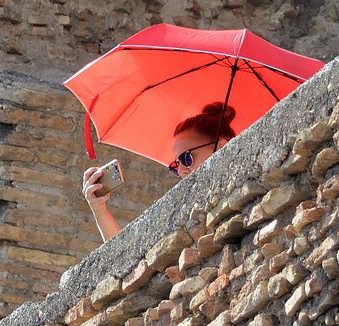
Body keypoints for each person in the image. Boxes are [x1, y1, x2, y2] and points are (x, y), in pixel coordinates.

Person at [82, 102, 236, 242]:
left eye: (187, 158)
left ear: (222, 147)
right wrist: (99, 208)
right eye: (176, 165)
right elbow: (129, 256)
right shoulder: (183, 211)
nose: (181, 170)